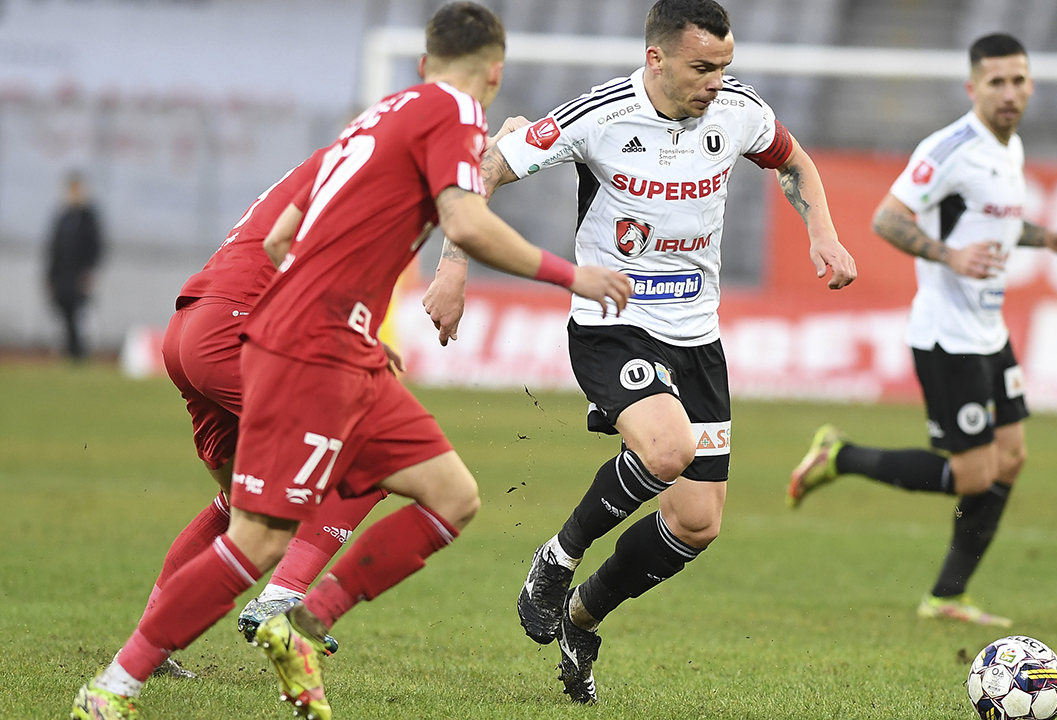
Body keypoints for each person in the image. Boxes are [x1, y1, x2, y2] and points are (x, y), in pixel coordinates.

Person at [71, 4, 632, 719]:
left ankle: (298, 623)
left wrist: (349, 317)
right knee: (260, 532)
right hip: (309, 348)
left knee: (451, 493)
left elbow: (280, 238)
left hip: (314, 340)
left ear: (423, 61)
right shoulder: (456, 113)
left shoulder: (377, 118)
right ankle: (118, 684)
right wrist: (569, 275)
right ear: (495, 72)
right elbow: (463, 221)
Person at [424, 0, 856, 703]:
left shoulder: (737, 110)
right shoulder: (599, 115)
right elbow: (488, 166)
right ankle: (555, 558)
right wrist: (454, 265)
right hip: (612, 321)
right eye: (702, 67)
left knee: (697, 522)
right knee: (665, 450)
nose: (717, 81)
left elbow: (795, 161)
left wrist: (823, 234)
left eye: (725, 66)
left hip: (697, 337)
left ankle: (580, 616)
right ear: (656, 58)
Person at [787, 33, 1057, 627]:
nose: (1009, 92)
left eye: (1018, 80)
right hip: (946, 336)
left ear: (1030, 84)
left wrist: (1045, 238)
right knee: (975, 473)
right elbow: (886, 219)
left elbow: (994, 220)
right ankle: (839, 456)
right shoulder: (951, 148)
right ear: (973, 87)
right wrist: (950, 258)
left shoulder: (1010, 148)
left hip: (987, 328)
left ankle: (948, 595)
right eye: (996, 82)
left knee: (1012, 456)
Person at [46, 172, 102, 360]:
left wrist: (89, 271)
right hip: (63, 276)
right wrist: (50, 276)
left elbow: (96, 247)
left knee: (80, 315)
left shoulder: (89, 218)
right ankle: (70, 351)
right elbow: (53, 248)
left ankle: (79, 353)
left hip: (79, 276)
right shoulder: (63, 217)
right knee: (64, 313)